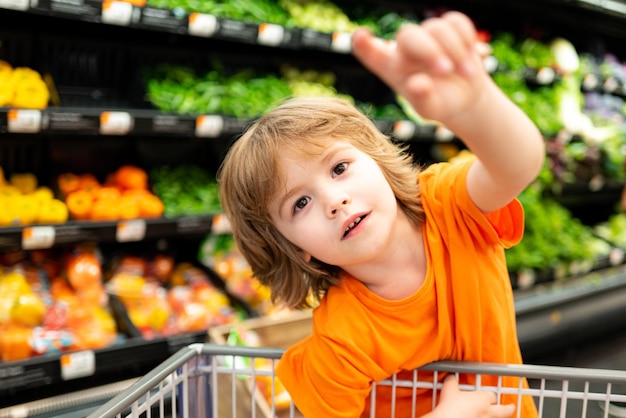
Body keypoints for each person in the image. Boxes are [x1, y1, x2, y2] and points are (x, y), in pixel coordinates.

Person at [217, 10, 544, 418]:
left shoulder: (449, 207)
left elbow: (518, 164)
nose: (334, 201)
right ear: (291, 247)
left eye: (339, 168)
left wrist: (476, 107)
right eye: (300, 204)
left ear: (378, 160)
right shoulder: (343, 338)